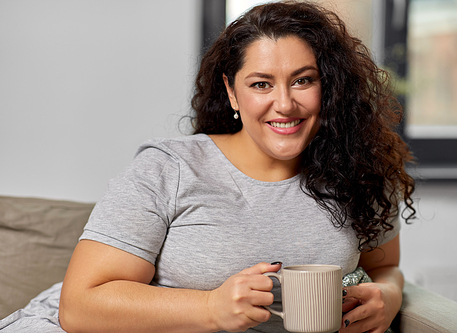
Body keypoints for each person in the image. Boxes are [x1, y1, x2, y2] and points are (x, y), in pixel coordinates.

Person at [0, 1, 415, 332]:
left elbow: (385, 267)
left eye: (304, 80)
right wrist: (211, 307)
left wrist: (388, 297)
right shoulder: (169, 168)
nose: (285, 103)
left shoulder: (361, 172)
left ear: (332, 87)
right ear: (232, 93)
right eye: (261, 84)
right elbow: (80, 307)